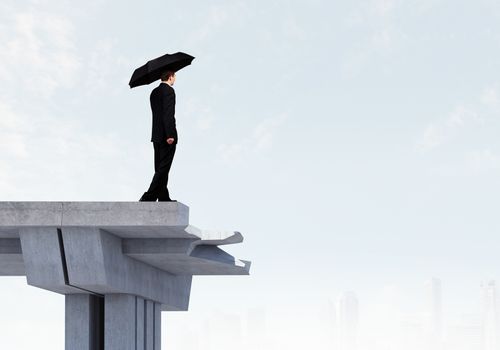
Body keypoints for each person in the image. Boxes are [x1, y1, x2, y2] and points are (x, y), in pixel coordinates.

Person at [139, 71, 178, 202]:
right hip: (167, 136)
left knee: (159, 167)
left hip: (156, 135)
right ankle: (148, 197)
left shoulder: (154, 92)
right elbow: (168, 114)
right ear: (170, 77)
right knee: (163, 169)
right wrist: (170, 134)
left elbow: (158, 115)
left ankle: (163, 197)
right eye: (174, 77)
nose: (175, 80)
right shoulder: (169, 91)